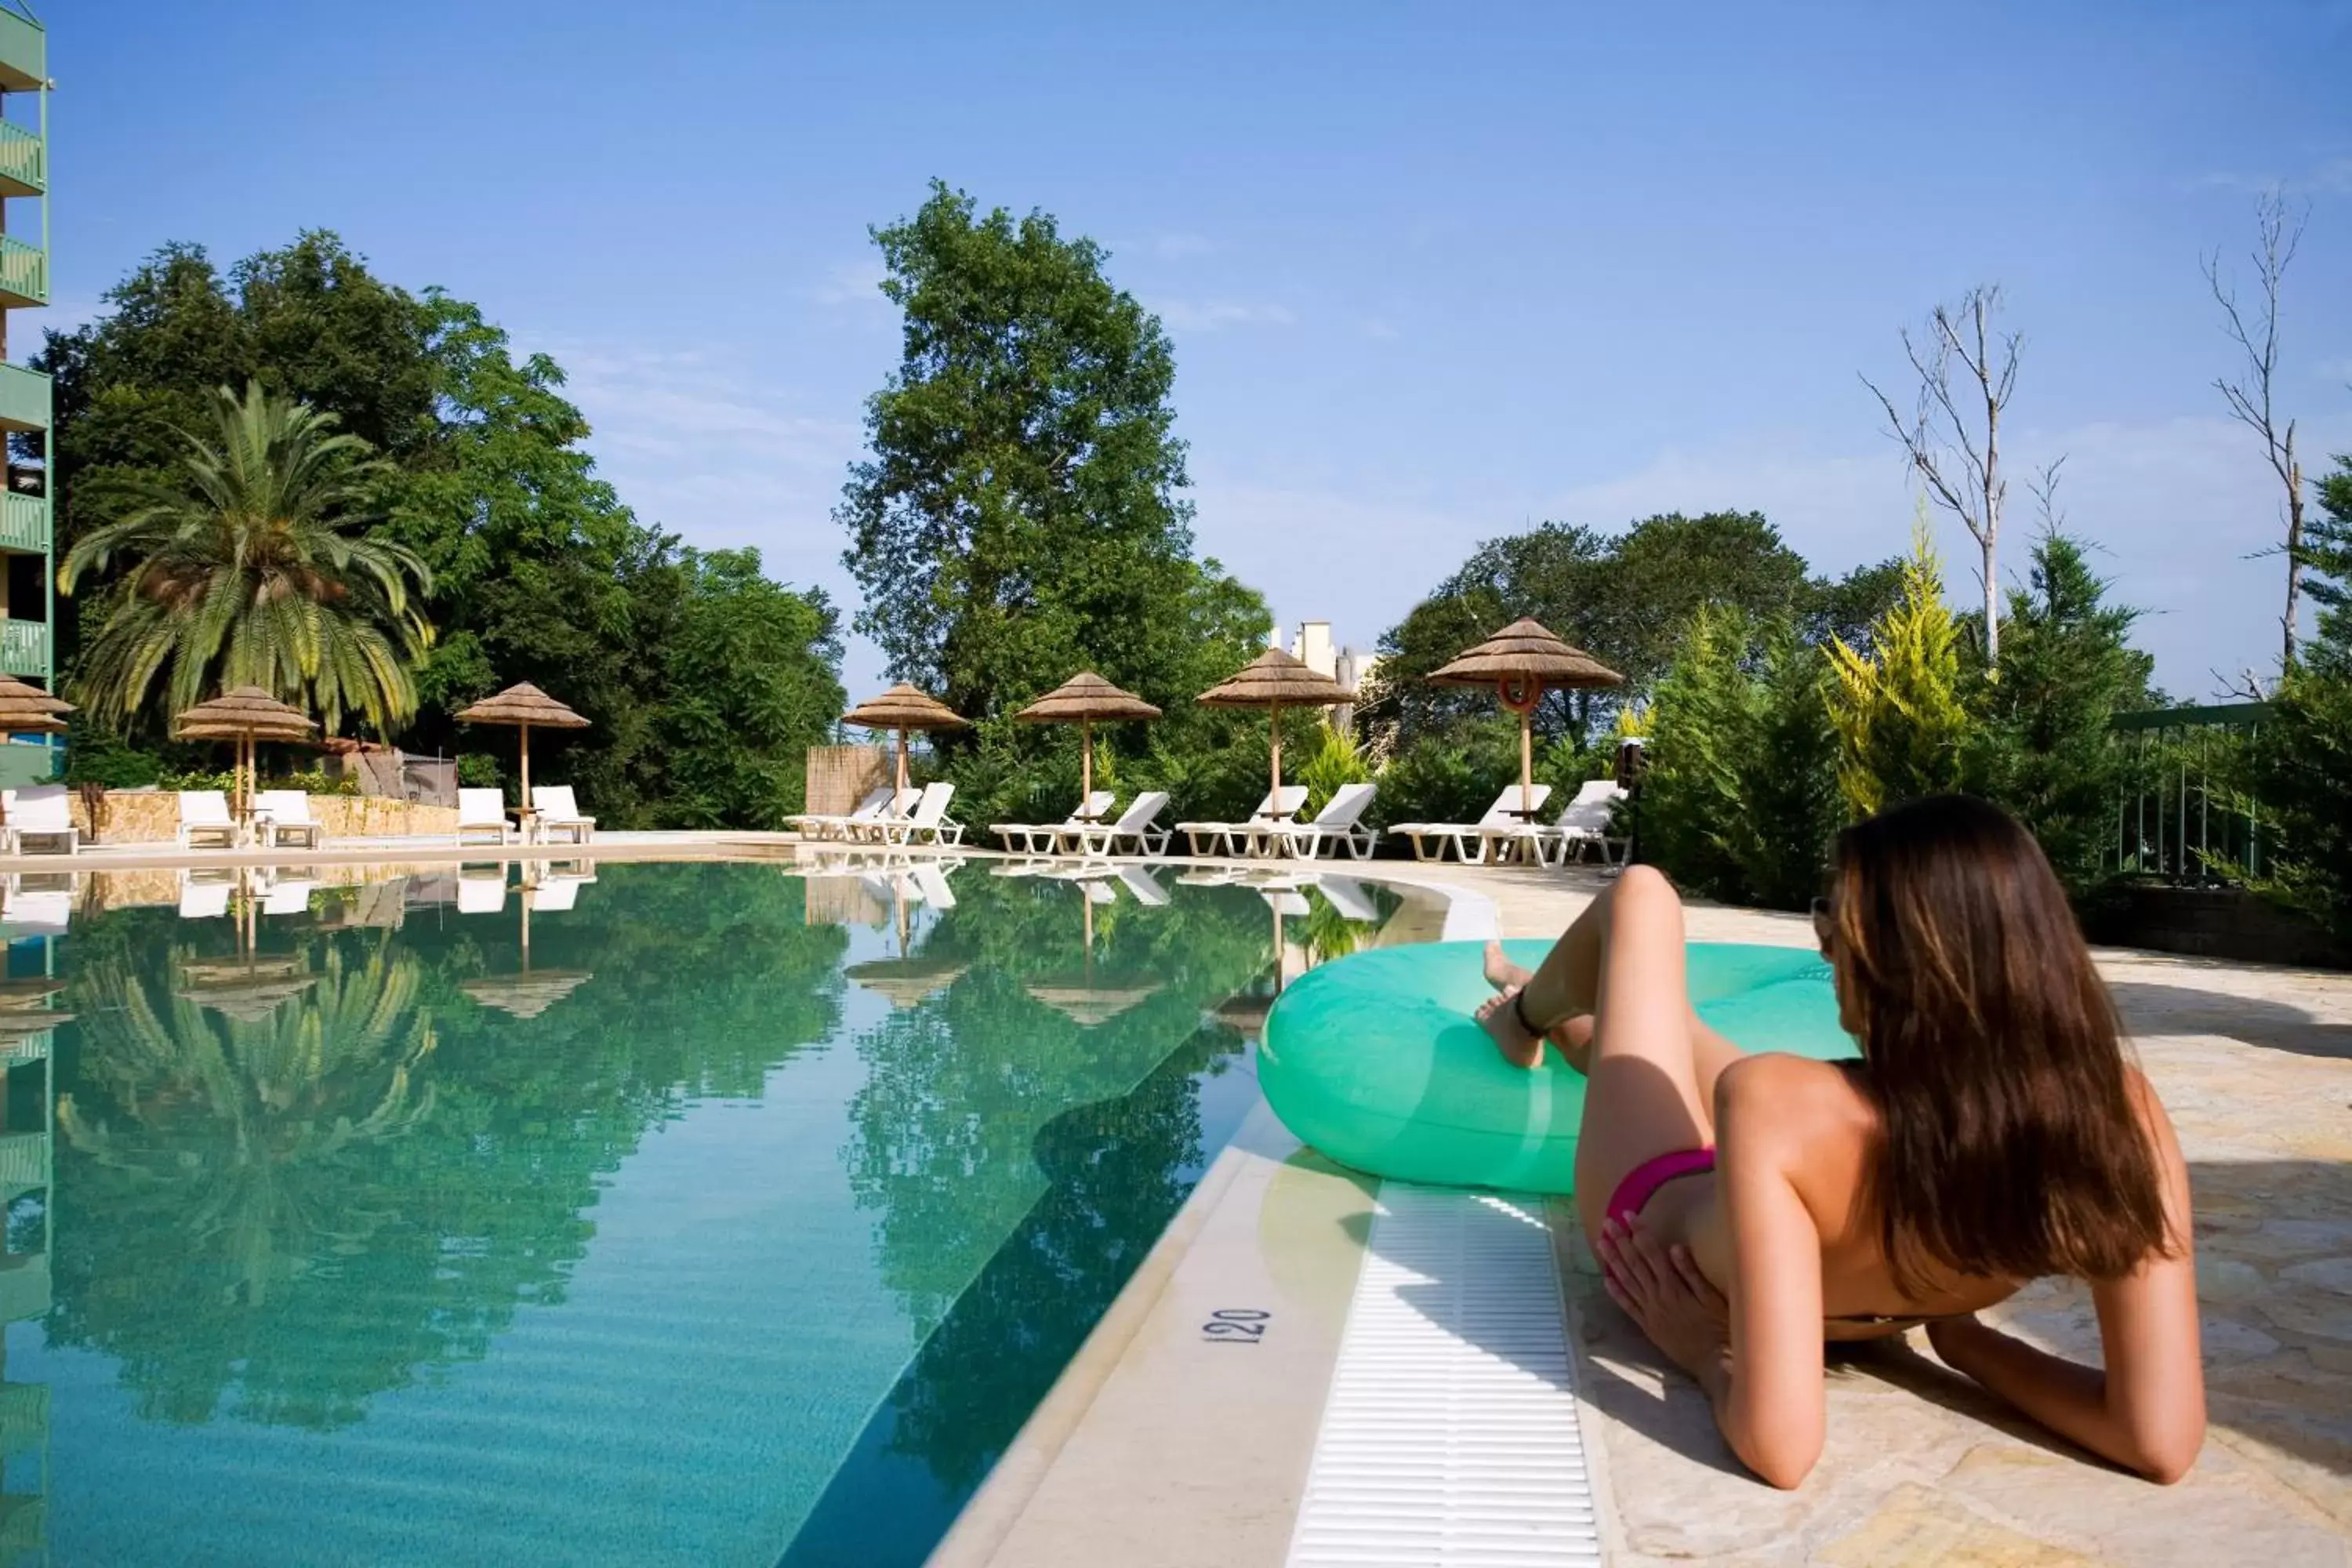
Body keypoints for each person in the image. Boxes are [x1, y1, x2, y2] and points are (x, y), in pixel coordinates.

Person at [1476, 795, 2205, 1489]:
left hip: (1656, 1208)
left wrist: (1701, 1347)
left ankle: (1526, 1017)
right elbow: (2159, 1441)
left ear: (1898, 965)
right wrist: (1964, 1339)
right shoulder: (2122, 1116)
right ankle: (1561, 1015)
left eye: (1834, 930)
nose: (1826, 954)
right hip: (1823, 1237)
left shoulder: (1776, 1101)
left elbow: (1783, 1450)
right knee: (1663, 1030)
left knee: (1641, 901)